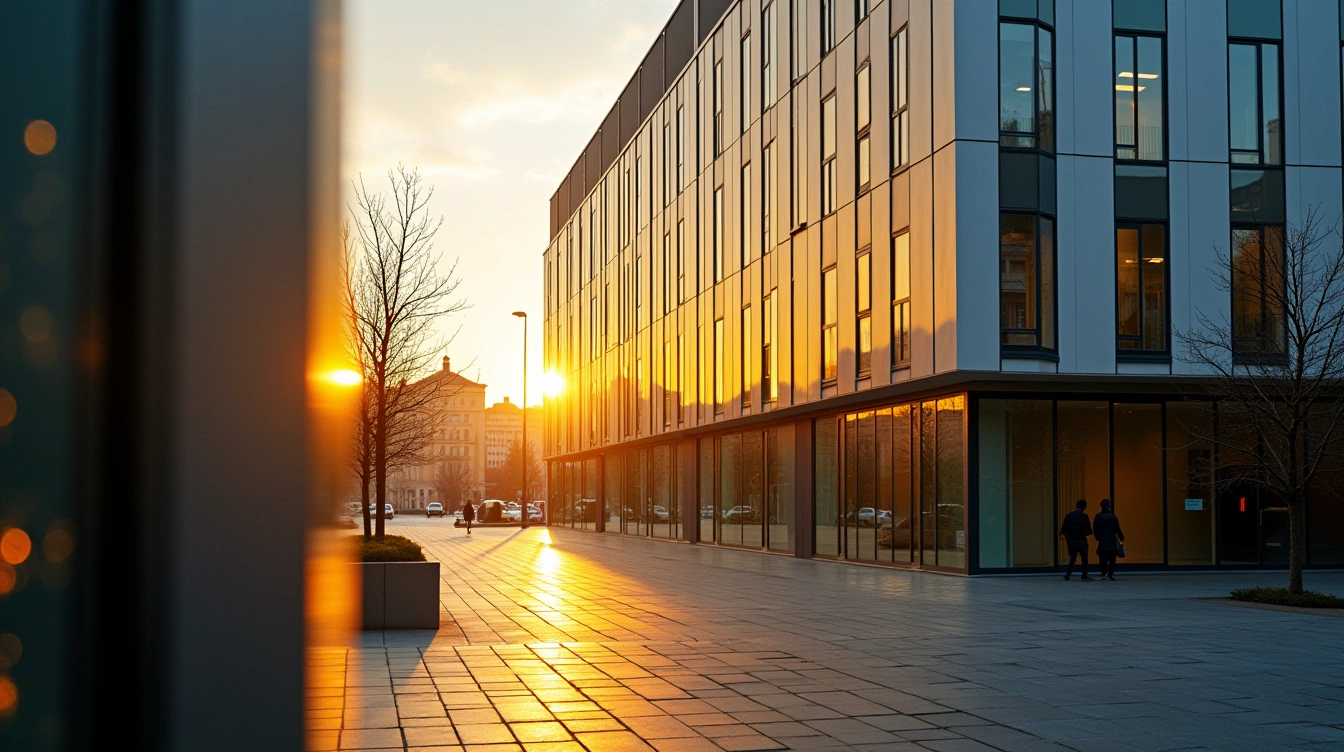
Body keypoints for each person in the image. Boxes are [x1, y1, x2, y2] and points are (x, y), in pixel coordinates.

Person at [1060, 499, 1093, 581]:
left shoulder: (1068, 515)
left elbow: (1063, 529)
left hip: (1071, 540)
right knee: (1084, 559)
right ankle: (1084, 575)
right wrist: (1084, 533)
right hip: (1081, 539)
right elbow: (1089, 531)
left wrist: (1068, 536)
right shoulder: (1084, 517)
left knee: (1072, 558)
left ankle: (1068, 574)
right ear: (1084, 507)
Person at [1094, 499, 1125, 581]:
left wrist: (1098, 537)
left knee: (1102, 558)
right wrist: (1121, 537)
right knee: (1112, 559)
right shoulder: (1113, 517)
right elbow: (1117, 529)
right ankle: (1110, 574)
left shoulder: (1098, 517)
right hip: (1112, 541)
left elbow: (1095, 529)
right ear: (1109, 506)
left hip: (1102, 541)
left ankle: (1104, 572)